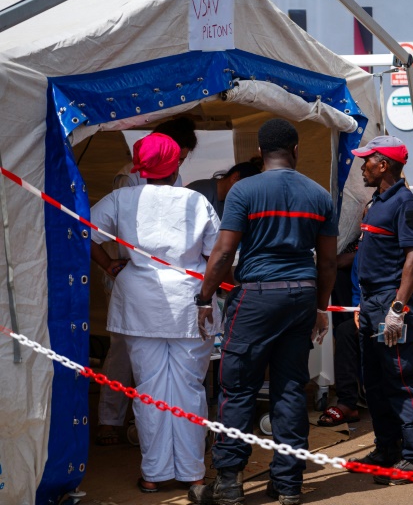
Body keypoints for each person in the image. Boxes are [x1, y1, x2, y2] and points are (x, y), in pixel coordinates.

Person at [190, 119, 337, 505]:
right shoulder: (320, 195)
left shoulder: (244, 191)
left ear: (259, 151)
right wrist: (321, 306)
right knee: (290, 388)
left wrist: (205, 296)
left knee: (236, 388)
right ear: (297, 150)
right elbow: (327, 263)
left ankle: (229, 484)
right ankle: (288, 485)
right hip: (301, 298)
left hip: (255, 298)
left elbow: (223, 252)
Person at [90, 133, 220, 491]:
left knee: (149, 390)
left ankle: (154, 475)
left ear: (140, 167)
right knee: (189, 388)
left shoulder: (121, 198)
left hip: (138, 304)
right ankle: (193, 473)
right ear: (176, 163)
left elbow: (81, 228)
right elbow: (217, 254)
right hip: (191, 305)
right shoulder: (194, 200)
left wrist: (109, 265)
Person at [96, 116, 199, 446]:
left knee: (157, 367)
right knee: (121, 354)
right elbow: (96, 231)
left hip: (165, 283)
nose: (179, 164)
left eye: (182, 159)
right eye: (178, 156)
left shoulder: (176, 178)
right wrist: (109, 263)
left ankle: (153, 431)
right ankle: (110, 419)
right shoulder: (128, 178)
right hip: (130, 275)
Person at [351, 135, 413, 483]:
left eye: (366, 161)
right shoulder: (377, 201)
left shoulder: (405, 203)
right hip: (371, 303)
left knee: (400, 380)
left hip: (390, 303)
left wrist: (398, 308)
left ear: (383, 165)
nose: (361, 166)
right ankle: (387, 447)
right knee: (373, 381)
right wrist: (362, 303)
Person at [318, 252, 363, 426]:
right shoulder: (364, 247)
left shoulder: (394, 244)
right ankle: (347, 403)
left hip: (395, 307)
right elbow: (357, 289)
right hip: (366, 309)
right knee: (345, 332)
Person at [114, 117, 198, 188]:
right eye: (172, 157)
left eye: (181, 159)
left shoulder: (176, 178)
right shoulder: (130, 178)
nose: (177, 164)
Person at [186, 158, 263, 219]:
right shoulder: (200, 192)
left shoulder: (231, 204)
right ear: (235, 177)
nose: (246, 196)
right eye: (246, 190)